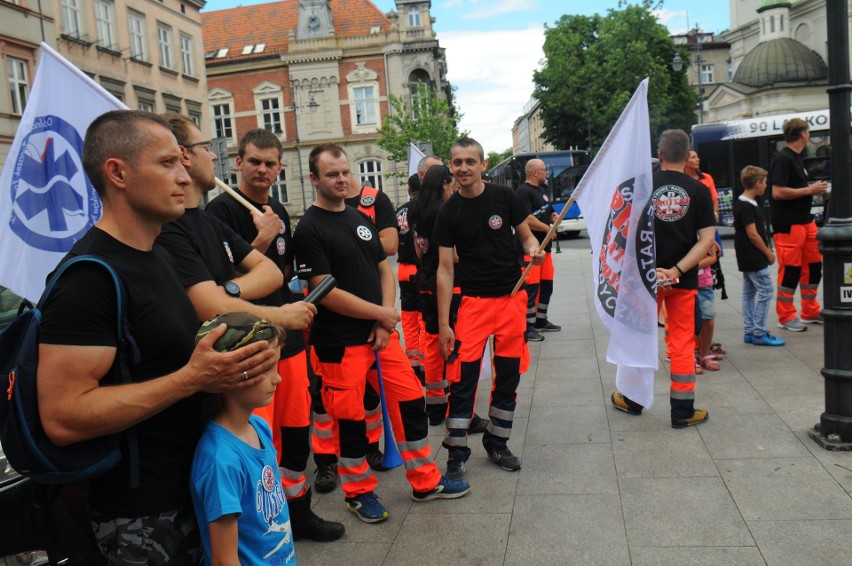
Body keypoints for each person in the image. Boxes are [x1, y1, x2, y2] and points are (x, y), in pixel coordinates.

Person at [36, 110, 278, 564]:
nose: (185, 175)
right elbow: (63, 417)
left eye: (184, 162)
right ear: (118, 172)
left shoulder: (157, 254)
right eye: (168, 163)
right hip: (142, 517)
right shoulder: (88, 277)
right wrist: (192, 379)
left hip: (196, 486)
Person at [294, 143, 470, 524]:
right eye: (331, 174)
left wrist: (382, 320)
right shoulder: (308, 228)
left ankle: (425, 480)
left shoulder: (358, 217)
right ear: (314, 179)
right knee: (351, 421)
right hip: (338, 344)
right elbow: (324, 290)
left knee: (410, 402)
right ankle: (358, 493)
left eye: (345, 172)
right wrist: (383, 314)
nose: (341, 180)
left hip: (379, 337)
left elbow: (383, 269)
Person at [195, 126, 344, 541]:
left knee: (297, 428)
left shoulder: (277, 207)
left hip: (289, 339)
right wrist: (260, 238)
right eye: (254, 162)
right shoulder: (219, 214)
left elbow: (280, 275)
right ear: (238, 162)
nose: (262, 170)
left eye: (270, 163)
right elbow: (219, 285)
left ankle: (299, 512)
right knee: (261, 434)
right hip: (251, 341)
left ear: (280, 168)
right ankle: (264, 521)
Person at [433, 137, 544, 481]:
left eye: (470, 161)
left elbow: (525, 235)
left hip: (511, 300)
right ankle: (456, 452)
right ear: (450, 169)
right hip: (473, 306)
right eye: (457, 162)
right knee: (462, 380)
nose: (463, 167)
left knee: (508, 375)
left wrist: (534, 246)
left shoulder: (504, 197)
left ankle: (498, 442)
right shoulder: (448, 211)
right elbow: (444, 269)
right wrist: (443, 324)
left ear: (482, 164)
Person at [610, 130, 715, 429]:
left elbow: (623, 234)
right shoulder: (699, 190)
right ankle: (682, 410)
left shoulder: (641, 188)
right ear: (688, 154)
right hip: (682, 280)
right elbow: (706, 239)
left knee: (637, 337)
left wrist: (650, 270)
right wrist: (677, 271)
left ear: (660, 152)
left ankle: (631, 399)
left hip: (643, 280)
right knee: (681, 341)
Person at [190, 313, 296, 565]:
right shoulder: (221, 461)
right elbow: (225, 561)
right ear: (230, 374)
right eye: (266, 369)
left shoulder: (258, 426)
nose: (278, 378)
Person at [409, 164, 457, 426]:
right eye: (451, 185)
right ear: (444, 184)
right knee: (451, 337)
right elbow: (453, 256)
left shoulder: (415, 209)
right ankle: (453, 399)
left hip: (425, 280)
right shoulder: (445, 211)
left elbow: (419, 250)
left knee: (431, 339)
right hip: (446, 283)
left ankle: (435, 400)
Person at [769, 117, 827, 331]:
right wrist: (809, 190)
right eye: (808, 131)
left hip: (805, 222)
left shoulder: (795, 158)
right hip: (789, 225)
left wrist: (809, 189)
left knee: (813, 267)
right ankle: (785, 316)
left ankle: (810, 311)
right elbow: (777, 192)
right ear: (803, 134)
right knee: (791, 270)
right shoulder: (784, 159)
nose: (809, 134)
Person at [735, 166, 785, 347]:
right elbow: (753, 234)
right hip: (755, 257)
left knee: (749, 293)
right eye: (764, 182)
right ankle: (759, 332)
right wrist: (768, 253)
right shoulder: (747, 206)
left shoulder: (741, 203)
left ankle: (750, 331)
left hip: (745, 257)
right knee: (766, 290)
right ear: (757, 183)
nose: (765, 186)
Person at [516, 158, 561, 342]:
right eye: (544, 170)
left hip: (546, 250)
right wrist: (547, 229)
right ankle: (528, 327)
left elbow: (546, 210)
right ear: (534, 172)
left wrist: (553, 216)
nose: (546, 173)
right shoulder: (522, 192)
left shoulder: (542, 190)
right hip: (531, 250)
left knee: (546, 287)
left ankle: (541, 319)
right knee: (531, 289)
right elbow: (526, 218)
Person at [395, 173, 425, 381]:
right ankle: (424, 364)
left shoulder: (398, 211)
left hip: (403, 269)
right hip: (420, 269)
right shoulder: (425, 208)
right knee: (424, 318)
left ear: (408, 190)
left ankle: (412, 363)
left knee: (409, 317)